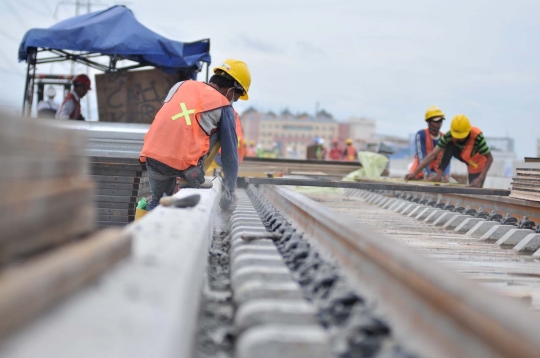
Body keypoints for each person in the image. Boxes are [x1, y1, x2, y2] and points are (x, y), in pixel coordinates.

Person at [139, 59, 251, 210]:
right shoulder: (224, 105)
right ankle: (192, 176)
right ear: (232, 89)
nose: (232, 102)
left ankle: (145, 229)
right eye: (235, 98)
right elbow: (229, 155)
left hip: (153, 158)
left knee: (159, 202)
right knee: (224, 130)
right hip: (186, 168)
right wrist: (229, 192)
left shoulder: (181, 85)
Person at [405, 114, 493, 187]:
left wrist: (480, 178)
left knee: (475, 189)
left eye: (462, 136)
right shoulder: (449, 135)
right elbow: (433, 154)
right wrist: (415, 172)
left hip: (476, 163)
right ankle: (439, 174)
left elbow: (490, 158)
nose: (459, 139)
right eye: (457, 136)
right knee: (449, 145)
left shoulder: (477, 137)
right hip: (462, 155)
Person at [409, 106, 451, 181]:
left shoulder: (444, 137)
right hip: (419, 174)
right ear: (428, 122)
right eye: (436, 121)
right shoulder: (421, 135)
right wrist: (428, 174)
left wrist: (446, 174)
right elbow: (421, 156)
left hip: (436, 174)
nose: (439, 124)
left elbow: (446, 159)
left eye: (440, 121)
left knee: (452, 183)